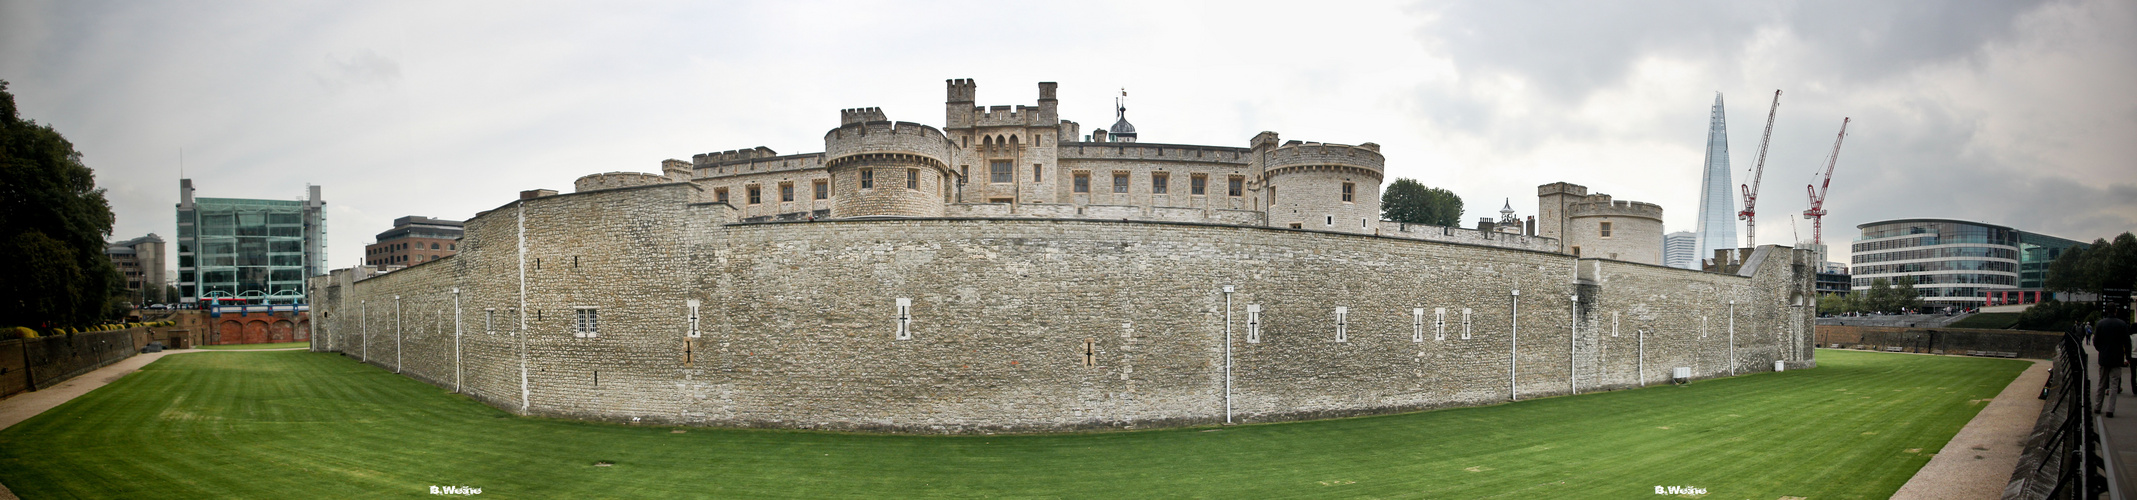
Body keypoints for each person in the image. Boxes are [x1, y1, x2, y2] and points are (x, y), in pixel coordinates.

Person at [2099, 307, 2133, 417]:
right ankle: (2110, 409)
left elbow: (2096, 341)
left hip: (2104, 358)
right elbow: (2127, 343)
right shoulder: (2122, 324)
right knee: (2114, 385)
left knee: (2102, 383)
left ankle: (2097, 406)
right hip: (2117, 359)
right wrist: (2127, 357)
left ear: (2107, 311)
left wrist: (2101, 350)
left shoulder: (2101, 323)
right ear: (2115, 311)